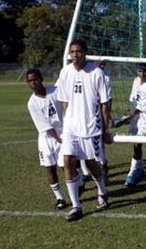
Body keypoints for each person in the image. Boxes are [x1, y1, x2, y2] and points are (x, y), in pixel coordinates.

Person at [55, 39, 112, 222]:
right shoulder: (65, 72)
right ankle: (76, 206)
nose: (75, 55)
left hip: (91, 127)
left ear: (85, 52)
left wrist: (105, 129)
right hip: (71, 126)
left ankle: (102, 191)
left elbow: (105, 104)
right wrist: (65, 124)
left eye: (78, 51)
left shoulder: (97, 73)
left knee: (91, 163)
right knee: (68, 160)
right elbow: (64, 101)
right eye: (72, 52)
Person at [25, 68, 67, 210]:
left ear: (41, 79)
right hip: (46, 137)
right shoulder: (32, 103)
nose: (33, 83)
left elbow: (67, 106)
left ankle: (78, 184)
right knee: (50, 168)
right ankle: (60, 198)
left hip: (63, 133)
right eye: (30, 81)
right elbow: (45, 126)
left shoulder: (55, 91)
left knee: (65, 166)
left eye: (35, 79)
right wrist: (58, 139)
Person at [124, 63, 146, 187]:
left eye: (145, 71)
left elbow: (141, 107)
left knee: (138, 143)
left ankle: (131, 173)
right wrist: (129, 115)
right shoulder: (136, 81)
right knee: (135, 144)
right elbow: (133, 100)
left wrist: (129, 117)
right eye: (140, 71)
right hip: (136, 116)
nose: (142, 74)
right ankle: (141, 168)